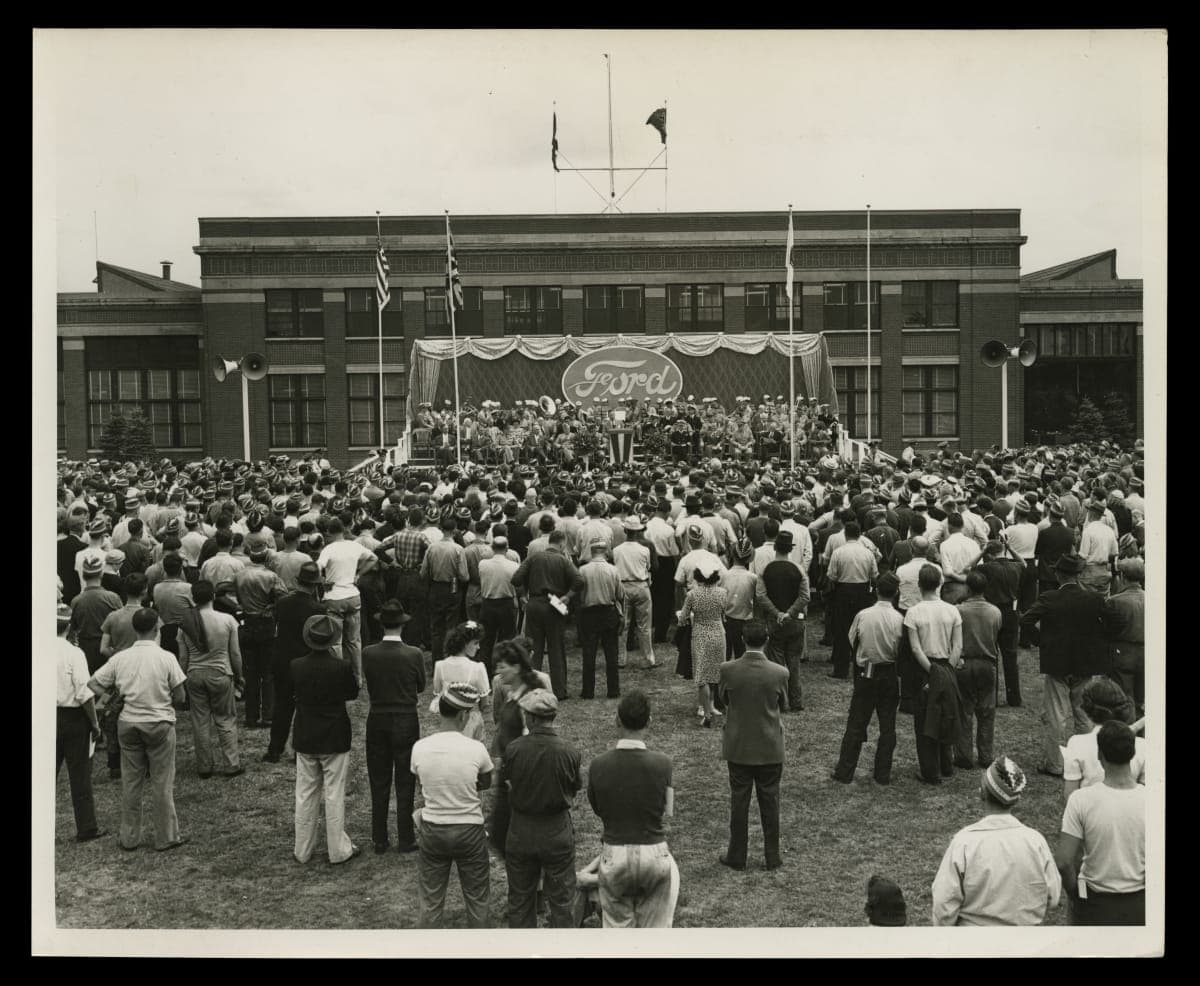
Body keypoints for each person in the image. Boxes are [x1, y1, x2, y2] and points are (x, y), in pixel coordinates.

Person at [87, 608, 188, 852]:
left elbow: (93, 683)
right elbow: (180, 696)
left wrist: (114, 698)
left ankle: (129, 837)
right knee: (162, 781)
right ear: (156, 629)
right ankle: (166, 836)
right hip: (159, 723)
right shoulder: (166, 657)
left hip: (128, 723)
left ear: (135, 629)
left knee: (131, 782)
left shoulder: (121, 658)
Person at [586, 690, 680, 928]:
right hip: (654, 851)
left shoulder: (598, 765)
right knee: (655, 936)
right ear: (649, 721)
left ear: (617, 720)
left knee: (617, 935)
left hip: (615, 851)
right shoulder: (664, 764)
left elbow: (598, 807)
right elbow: (667, 810)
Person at [931, 756, 1061, 926]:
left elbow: (944, 904)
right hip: (1026, 944)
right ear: (1017, 799)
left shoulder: (964, 842)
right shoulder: (1036, 842)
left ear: (982, 793)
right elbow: (1054, 897)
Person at [1021, 551, 1117, 778]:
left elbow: (1025, 620)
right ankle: (1087, 762)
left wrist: (1041, 642)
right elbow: (1115, 621)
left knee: (1056, 715)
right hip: (1085, 663)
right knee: (1083, 714)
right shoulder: (1093, 599)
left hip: (1058, 663)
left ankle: (1055, 764)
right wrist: (1099, 642)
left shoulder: (1050, 598)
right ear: (1078, 574)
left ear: (1058, 574)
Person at [411, 682, 494, 928]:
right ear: (463, 715)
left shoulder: (420, 747)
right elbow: (485, 782)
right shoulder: (476, 749)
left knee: (431, 900)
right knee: (478, 898)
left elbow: (422, 785)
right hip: (469, 830)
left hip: (434, 829)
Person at [502, 688, 583, 928]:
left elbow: (509, 784)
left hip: (521, 830)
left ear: (533, 718)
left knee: (519, 900)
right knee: (562, 901)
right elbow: (574, 787)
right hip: (556, 830)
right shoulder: (569, 751)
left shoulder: (514, 749)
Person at [1055, 721, 1146, 926]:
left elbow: (1063, 861)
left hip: (1095, 902)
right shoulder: (1152, 799)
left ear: (1099, 755)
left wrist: (1076, 895)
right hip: (1140, 903)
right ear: (1132, 754)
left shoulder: (1081, 800)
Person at [717, 619, 789, 871]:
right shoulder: (780, 672)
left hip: (739, 746)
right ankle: (772, 856)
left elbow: (723, 698)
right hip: (770, 746)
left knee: (739, 803)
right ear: (767, 640)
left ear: (743, 640)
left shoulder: (728, 669)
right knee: (770, 803)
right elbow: (784, 704)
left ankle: (737, 855)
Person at [291, 614, 362, 865]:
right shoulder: (341, 667)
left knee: (305, 792)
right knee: (334, 793)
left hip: (306, 733)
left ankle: (302, 849)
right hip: (334, 734)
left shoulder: (296, 666)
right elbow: (352, 692)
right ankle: (338, 850)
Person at [362, 599, 425, 855]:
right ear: (402, 625)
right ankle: (405, 837)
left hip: (377, 717)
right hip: (405, 718)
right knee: (405, 779)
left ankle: (379, 838)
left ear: (381, 625)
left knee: (379, 779)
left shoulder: (368, 653)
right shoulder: (413, 654)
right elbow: (420, 686)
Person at [831, 572, 904, 785]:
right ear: (896, 593)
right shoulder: (899, 619)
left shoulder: (863, 615)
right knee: (888, 725)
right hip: (889, 670)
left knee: (856, 722)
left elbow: (852, 639)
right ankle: (882, 773)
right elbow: (900, 649)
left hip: (867, 670)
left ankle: (845, 771)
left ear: (876, 590)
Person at [177, 580, 245, 779]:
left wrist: (181, 679)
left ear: (193, 599)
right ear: (213, 597)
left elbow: (183, 657)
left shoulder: (185, 624)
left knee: (200, 721)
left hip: (194, 674)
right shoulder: (227, 620)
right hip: (220, 672)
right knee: (225, 719)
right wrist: (239, 676)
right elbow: (235, 653)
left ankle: (204, 766)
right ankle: (231, 764)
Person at [904, 563, 964, 784]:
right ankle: (946, 764)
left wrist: (932, 673)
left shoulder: (913, 612)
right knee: (946, 714)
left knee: (925, 720)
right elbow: (957, 646)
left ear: (919, 585)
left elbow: (915, 648)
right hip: (947, 666)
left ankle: (930, 770)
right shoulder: (952, 610)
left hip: (925, 669)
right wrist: (946, 670)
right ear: (940, 584)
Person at [263, 561, 326, 764]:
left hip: (282, 660)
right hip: (306, 661)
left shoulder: (282, 603)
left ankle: (275, 750)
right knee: (305, 707)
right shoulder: (317, 608)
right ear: (315, 584)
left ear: (299, 581)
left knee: (282, 706)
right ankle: (300, 749)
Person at [511, 530, 584, 701]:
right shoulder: (563, 560)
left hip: (534, 604)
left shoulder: (534, 558)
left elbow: (515, 579)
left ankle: (530, 687)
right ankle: (559, 690)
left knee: (533, 649)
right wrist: (568, 596)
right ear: (561, 544)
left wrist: (522, 595)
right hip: (554, 605)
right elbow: (579, 580)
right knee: (556, 649)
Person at [56, 603, 105, 843]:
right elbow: (84, 693)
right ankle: (87, 827)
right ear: (70, 626)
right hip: (73, 717)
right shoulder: (74, 653)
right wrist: (94, 723)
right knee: (80, 774)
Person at [754, 529, 810, 712]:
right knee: (794, 662)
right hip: (795, 621)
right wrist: (790, 613)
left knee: (776, 661)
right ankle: (797, 701)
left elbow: (761, 596)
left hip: (774, 621)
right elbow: (805, 597)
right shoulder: (799, 570)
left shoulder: (766, 570)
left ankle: (781, 701)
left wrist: (777, 613)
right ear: (790, 549)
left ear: (776, 548)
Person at [234, 543, 288, 730]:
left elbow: (232, 594)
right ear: (265, 557)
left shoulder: (239, 575)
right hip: (265, 625)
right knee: (267, 673)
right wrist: (271, 607)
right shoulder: (271, 577)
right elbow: (283, 598)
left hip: (248, 623)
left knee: (251, 673)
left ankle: (251, 716)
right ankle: (268, 715)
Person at [1062, 678, 1146, 797]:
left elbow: (1070, 796)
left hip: (1088, 812)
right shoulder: (1144, 747)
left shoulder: (1076, 744)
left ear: (1088, 710)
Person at [317, 518, 377, 686]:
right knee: (354, 641)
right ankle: (358, 678)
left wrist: (322, 580)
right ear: (343, 530)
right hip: (352, 595)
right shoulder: (354, 545)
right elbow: (373, 558)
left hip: (334, 597)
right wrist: (358, 574)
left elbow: (317, 566)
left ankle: (338, 678)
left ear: (329, 531)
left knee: (335, 642)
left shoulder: (328, 549)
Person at [954, 571, 1002, 769]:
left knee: (964, 711)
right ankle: (985, 755)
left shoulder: (958, 610)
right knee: (986, 712)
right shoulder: (995, 612)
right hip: (987, 663)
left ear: (967, 588)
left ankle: (964, 756)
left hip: (964, 663)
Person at [826, 522, 878, 680]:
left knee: (842, 630)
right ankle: (863, 669)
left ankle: (841, 669)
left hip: (843, 591)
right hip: (862, 591)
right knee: (863, 630)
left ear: (845, 534)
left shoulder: (838, 552)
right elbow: (874, 575)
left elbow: (832, 576)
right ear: (860, 534)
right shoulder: (868, 553)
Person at [680, 558, 728, 728]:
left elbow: (682, 617)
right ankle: (713, 705)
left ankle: (705, 711)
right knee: (716, 671)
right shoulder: (722, 593)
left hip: (700, 633)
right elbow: (725, 612)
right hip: (717, 632)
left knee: (702, 675)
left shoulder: (692, 594)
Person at [976, 539, 1024, 708]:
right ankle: (1014, 697)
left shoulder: (986, 568)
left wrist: (981, 553)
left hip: (992, 612)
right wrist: (1010, 548)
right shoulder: (1015, 567)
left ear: (989, 554)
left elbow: (968, 569)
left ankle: (992, 697)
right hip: (1011, 612)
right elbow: (1023, 562)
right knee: (1010, 655)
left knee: (991, 655)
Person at [577, 539, 625, 700]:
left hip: (589, 613)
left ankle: (588, 690)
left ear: (591, 551)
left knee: (588, 652)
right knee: (611, 652)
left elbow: (579, 594)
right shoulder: (613, 570)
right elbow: (620, 595)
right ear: (605, 551)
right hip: (608, 612)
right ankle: (613, 689)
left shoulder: (582, 570)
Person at [430, 622, 491, 742]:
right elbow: (485, 703)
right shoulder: (478, 668)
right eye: (475, 643)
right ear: (464, 644)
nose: (478, 647)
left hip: (448, 721)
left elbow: (438, 693)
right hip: (471, 718)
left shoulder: (440, 666)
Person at [614, 515, 658, 671]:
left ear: (625, 530)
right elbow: (649, 567)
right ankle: (647, 658)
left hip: (624, 587)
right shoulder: (644, 549)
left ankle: (620, 659)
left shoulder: (616, 550)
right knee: (644, 625)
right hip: (641, 586)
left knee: (623, 625)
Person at [69, 555, 122, 674]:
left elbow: (72, 630)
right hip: (109, 650)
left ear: (83, 576)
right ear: (101, 575)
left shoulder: (76, 601)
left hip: (86, 651)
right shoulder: (113, 598)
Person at [1107, 558, 1145, 718]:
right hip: (1147, 654)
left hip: (1122, 653)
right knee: (1142, 699)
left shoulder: (1115, 602)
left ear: (1122, 576)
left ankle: (1127, 736)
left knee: (1124, 700)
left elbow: (1106, 630)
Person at [478, 536, 521, 675]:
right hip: (506, 603)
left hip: (488, 603)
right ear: (507, 548)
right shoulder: (514, 566)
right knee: (507, 640)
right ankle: (504, 672)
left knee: (486, 641)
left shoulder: (483, 564)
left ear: (492, 548)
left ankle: (486, 673)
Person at [721, 537, 759, 661]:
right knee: (742, 656)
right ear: (750, 557)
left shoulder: (724, 576)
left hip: (726, 620)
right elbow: (757, 599)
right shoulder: (752, 578)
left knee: (724, 654)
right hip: (745, 620)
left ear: (732, 554)